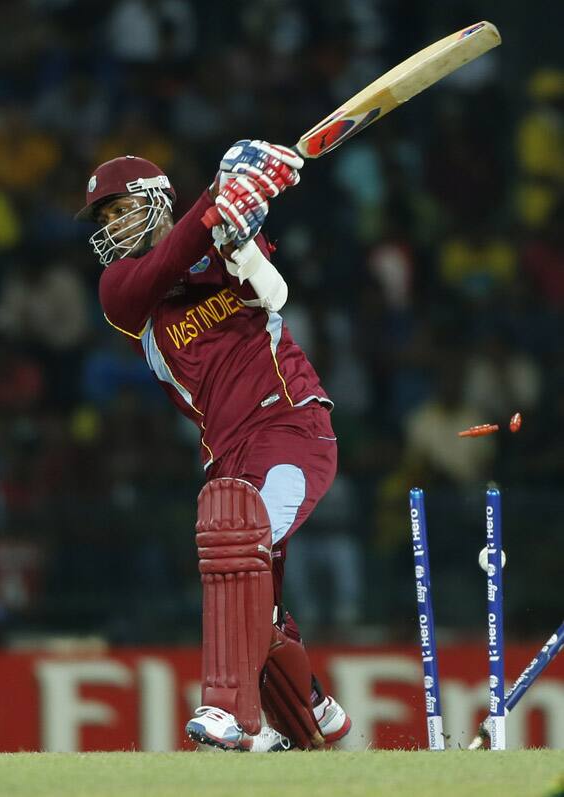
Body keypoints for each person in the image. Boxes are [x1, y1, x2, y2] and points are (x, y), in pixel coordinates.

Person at [76, 142, 351, 752]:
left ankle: (230, 713)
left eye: (118, 210)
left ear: (155, 202)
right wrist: (217, 198)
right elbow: (167, 261)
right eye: (102, 219)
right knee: (263, 605)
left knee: (239, 539)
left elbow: (274, 295)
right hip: (228, 457)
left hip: (291, 427)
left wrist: (238, 231)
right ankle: (315, 717)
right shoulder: (123, 290)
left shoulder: (220, 245)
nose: (109, 227)